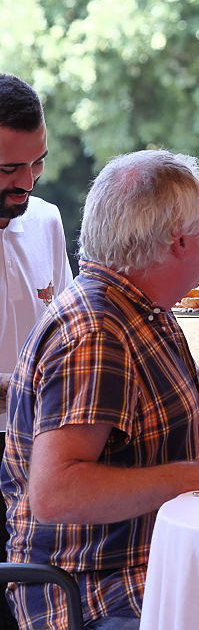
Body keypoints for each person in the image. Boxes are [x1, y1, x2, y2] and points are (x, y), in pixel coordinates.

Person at [1, 150, 199, 630]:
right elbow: (55, 494)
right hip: (98, 592)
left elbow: (175, 453)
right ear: (179, 240)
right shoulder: (97, 331)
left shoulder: (142, 309)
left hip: (150, 566)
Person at [0, 74, 72, 414]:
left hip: (43, 432)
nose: (28, 182)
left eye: (38, 161)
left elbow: (67, 335)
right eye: (9, 168)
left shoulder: (47, 220)